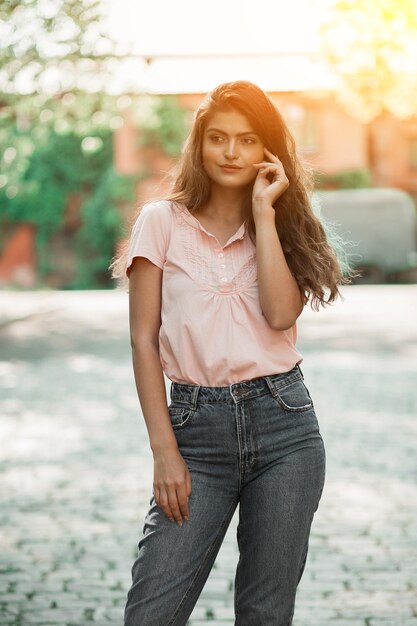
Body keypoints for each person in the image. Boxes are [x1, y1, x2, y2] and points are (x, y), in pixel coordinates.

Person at [110, 80, 356, 625]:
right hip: (195, 434)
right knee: (151, 613)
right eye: (217, 138)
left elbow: (279, 315)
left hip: (285, 430)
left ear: (266, 150)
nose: (229, 152)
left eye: (246, 140)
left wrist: (266, 216)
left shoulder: (280, 223)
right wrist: (164, 451)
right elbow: (142, 341)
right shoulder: (161, 222)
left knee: (265, 615)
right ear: (198, 144)